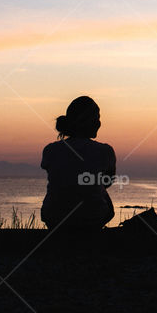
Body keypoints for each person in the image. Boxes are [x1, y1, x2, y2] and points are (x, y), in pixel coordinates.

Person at [41, 96, 116, 230]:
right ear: (88, 121)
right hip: (91, 221)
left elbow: (59, 176)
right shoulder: (105, 151)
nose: (99, 123)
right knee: (102, 194)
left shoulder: (50, 150)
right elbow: (107, 181)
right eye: (97, 118)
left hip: (54, 219)